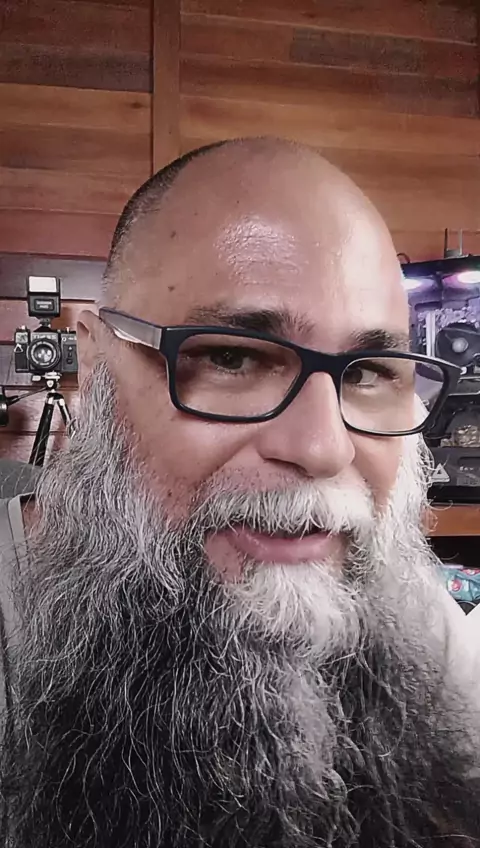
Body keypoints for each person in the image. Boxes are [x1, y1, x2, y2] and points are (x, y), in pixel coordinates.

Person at [0, 137, 479, 848]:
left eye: (367, 372)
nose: (324, 448)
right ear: (96, 365)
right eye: (232, 357)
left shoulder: (404, 610)